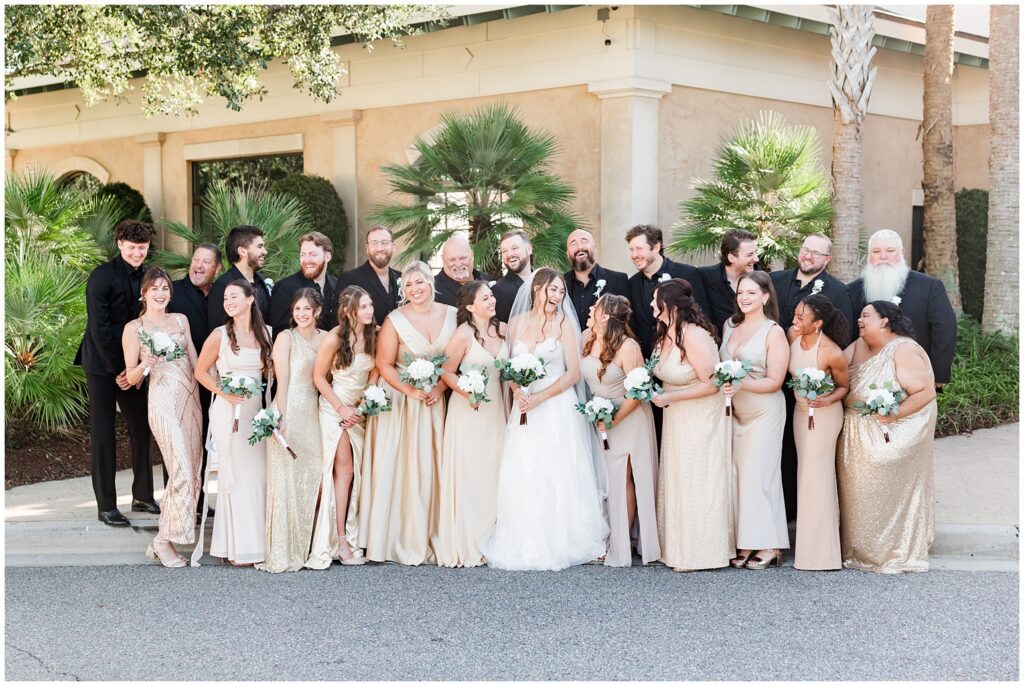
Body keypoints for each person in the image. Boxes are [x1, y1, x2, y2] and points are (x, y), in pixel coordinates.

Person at [480, 268, 609, 571]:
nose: (557, 297)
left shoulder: (565, 325)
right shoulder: (515, 324)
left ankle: (568, 537)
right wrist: (518, 390)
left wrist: (541, 396)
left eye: (561, 292)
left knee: (559, 469)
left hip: (557, 405)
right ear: (537, 289)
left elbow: (574, 373)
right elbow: (508, 368)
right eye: (552, 290)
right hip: (524, 408)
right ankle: (526, 535)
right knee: (525, 468)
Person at [360, 262, 457, 565]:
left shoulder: (452, 315)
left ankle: (432, 532)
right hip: (402, 404)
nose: (414, 289)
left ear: (431, 283)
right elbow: (384, 364)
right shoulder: (395, 320)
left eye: (420, 283)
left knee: (432, 467)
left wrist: (440, 388)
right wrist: (410, 391)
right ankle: (397, 536)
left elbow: (456, 359)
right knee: (402, 468)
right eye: (408, 285)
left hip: (435, 401)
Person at [838, 300, 937, 573]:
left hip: (893, 429)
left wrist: (894, 414)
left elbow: (926, 392)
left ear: (885, 321)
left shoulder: (902, 349)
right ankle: (860, 551)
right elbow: (834, 367)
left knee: (882, 486)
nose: (860, 319)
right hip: (855, 432)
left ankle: (893, 551)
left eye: (866, 315)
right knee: (857, 492)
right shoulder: (857, 346)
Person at [76, 219, 158, 527]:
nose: (138, 253)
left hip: (133, 365)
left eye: (143, 248)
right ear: (120, 244)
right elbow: (99, 329)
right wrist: (120, 370)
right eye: (133, 247)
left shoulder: (149, 277)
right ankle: (106, 505)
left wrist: (135, 368)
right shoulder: (101, 277)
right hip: (101, 364)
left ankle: (143, 495)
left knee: (141, 427)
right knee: (103, 433)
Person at [651, 279, 734, 572]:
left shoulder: (694, 336)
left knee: (697, 479)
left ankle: (700, 551)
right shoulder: (665, 334)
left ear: (670, 306)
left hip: (700, 414)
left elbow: (712, 384)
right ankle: (677, 547)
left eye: (655, 300)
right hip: (676, 416)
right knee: (679, 478)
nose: (651, 305)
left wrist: (672, 396)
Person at [122, 268, 203, 567]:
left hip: (190, 397)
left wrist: (215, 387)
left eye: (165, 288)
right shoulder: (134, 328)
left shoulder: (180, 320)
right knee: (180, 467)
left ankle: (167, 537)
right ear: (143, 293)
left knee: (193, 468)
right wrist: (146, 362)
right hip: (162, 401)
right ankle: (163, 540)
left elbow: (194, 359)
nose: (161, 293)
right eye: (154, 288)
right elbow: (131, 377)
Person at [771, 234, 854, 520]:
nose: (808, 256)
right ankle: (783, 511)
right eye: (805, 250)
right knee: (779, 450)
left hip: (813, 388)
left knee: (809, 458)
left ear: (827, 260)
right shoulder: (776, 280)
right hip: (776, 383)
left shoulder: (839, 291)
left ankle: (805, 515)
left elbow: (842, 337)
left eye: (815, 253)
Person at [194, 280, 274, 566]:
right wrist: (222, 392)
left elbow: (271, 374)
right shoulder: (219, 335)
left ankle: (260, 544)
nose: (228, 301)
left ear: (251, 299)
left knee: (260, 475)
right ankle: (238, 548)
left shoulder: (267, 333)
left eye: (233, 296)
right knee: (237, 476)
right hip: (229, 412)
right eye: (225, 297)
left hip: (256, 412)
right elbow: (201, 371)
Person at [719, 271, 790, 570]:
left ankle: (769, 543)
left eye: (751, 293)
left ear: (765, 296)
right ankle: (747, 540)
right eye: (740, 293)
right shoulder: (729, 325)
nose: (744, 298)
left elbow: (775, 380)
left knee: (759, 475)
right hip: (735, 412)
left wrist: (741, 384)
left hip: (764, 411)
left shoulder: (773, 331)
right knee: (738, 475)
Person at [581, 294, 658, 567]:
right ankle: (606, 535)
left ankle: (621, 542)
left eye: (596, 307)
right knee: (607, 479)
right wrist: (597, 414)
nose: (590, 309)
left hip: (629, 416)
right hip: (600, 418)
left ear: (605, 316)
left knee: (625, 477)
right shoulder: (586, 338)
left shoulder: (628, 347)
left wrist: (613, 419)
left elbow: (637, 392)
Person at [435, 281, 508, 567]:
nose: (492, 301)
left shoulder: (501, 330)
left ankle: (491, 538)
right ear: (469, 306)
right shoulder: (463, 335)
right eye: (485, 298)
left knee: (493, 472)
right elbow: (446, 372)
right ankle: (467, 541)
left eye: (491, 296)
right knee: (470, 473)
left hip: (497, 411)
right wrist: (468, 392)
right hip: (469, 411)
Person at [257, 288, 327, 573]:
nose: (301, 314)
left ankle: (310, 544)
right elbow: (281, 380)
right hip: (289, 409)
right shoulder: (286, 338)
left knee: (314, 473)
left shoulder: (326, 338)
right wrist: (280, 415)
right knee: (286, 476)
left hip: (315, 411)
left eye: (306, 309)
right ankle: (285, 548)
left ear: (317, 311)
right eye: (297, 309)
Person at [308, 286, 378, 568]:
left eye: (370, 305)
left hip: (359, 411)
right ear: (349, 311)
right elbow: (319, 377)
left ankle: (352, 533)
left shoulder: (375, 332)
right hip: (334, 409)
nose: (369, 311)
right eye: (363, 307)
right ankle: (338, 539)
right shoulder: (335, 338)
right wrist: (342, 408)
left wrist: (363, 406)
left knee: (358, 473)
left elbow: (375, 372)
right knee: (344, 470)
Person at [786, 294, 850, 571]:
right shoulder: (792, 336)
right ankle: (806, 548)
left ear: (819, 323)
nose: (795, 320)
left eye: (801, 317)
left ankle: (822, 554)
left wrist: (825, 399)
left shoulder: (831, 352)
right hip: (800, 414)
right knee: (805, 476)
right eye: (796, 314)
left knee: (818, 476)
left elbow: (843, 387)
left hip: (824, 416)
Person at [847, 229, 957, 386]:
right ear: (869, 255)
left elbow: (945, 330)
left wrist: (938, 374)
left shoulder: (929, 287)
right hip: (863, 378)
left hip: (915, 375)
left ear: (902, 252)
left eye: (890, 250)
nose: (883, 256)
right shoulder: (852, 291)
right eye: (876, 251)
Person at [167, 242, 222, 512]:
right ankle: (178, 504)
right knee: (180, 443)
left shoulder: (223, 293)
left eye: (206, 262)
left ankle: (198, 500)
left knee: (203, 443)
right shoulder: (173, 292)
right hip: (182, 381)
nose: (198, 266)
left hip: (214, 382)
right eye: (196, 260)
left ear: (218, 268)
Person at [625, 224, 708, 359]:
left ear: (656, 247)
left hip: (684, 357)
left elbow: (702, 316)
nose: (634, 255)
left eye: (639, 249)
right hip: (648, 361)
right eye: (631, 250)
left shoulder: (688, 273)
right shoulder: (632, 283)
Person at [267, 232, 338, 338]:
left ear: (327, 256)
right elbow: (278, 332)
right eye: (303, 255)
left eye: (312, 254)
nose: (306, 260)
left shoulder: (337, 284)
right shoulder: (285, 287)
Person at [697, 229, 760, 336]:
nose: (756, 259)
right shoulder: (704, 277)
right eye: (749, 255)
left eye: (755, 253)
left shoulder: (760, 278)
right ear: (731, 258)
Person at [208, 225, 271, 328]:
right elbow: (217, 329)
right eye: (259, 246)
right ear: (242, 251)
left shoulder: (262, 282)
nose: (265, 251)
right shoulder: (223, 286)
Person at [336, 226, 401, 326]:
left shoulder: (402, 278)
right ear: (367, 248)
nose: (379, 248)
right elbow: (340, 321)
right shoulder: (349, 279)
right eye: (374, 243)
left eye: (384, 242)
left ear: (393, 246)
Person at [564, 229, 628, 329]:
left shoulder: (619, 280)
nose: (580, 247)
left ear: (595, 247)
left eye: (584, 241)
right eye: (573, 243)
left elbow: (626, 323)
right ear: (567, 254)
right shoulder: (560, 283)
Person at [433, 235, 490, 307]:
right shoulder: (433, 289)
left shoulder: (485, 278)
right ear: (443, 259)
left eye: (463, 258)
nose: (458, 264)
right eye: (452, 259)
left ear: (472, 255)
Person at [492, 230, 534, 323]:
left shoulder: (544, 280)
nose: (509, 254)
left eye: (514, 248)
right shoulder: (499, 290)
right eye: (504, 251)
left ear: (529, 249)